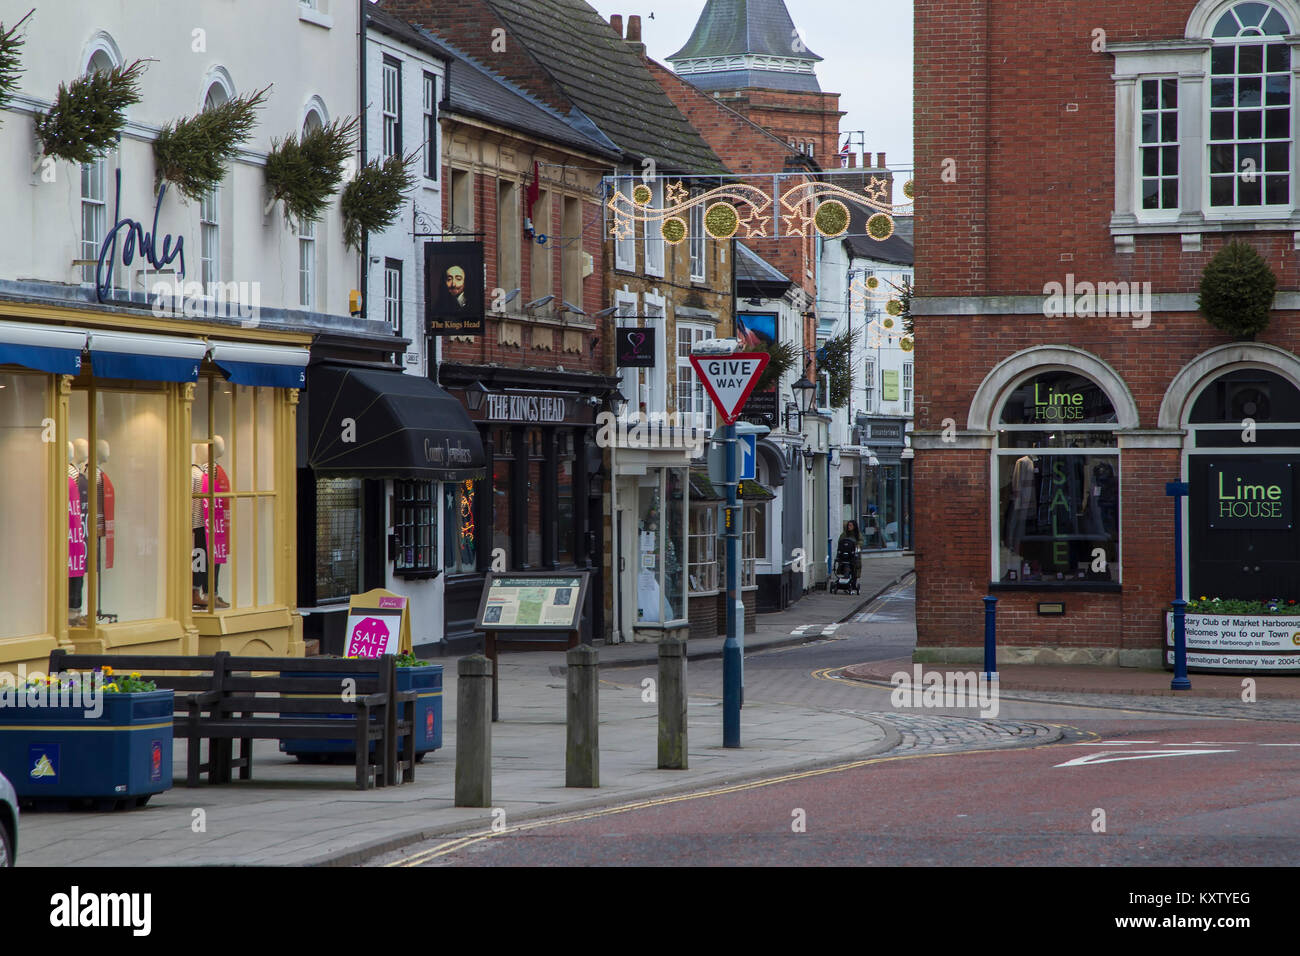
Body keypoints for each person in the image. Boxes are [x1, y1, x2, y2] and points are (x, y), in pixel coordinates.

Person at [836, 520, 862, 588]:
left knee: (855, 568)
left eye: (851, 525)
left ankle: (853, 583)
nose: (849, 527)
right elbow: (840, 542)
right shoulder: (844, 534)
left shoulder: (857, 534)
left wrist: (858, 545)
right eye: (848, 525)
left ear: (854, 526)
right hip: (845, 554)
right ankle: (845, 582)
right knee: (846, 567)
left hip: (854, 554)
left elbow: (861, 541)